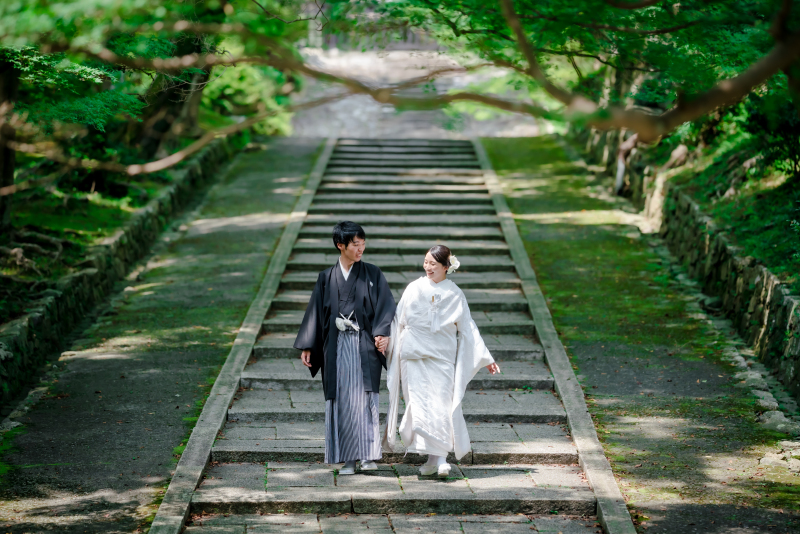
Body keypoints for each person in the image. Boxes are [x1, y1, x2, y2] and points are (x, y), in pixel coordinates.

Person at [382, 245, 500, 477]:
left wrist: (485, 356)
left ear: (447, 266)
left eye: (433, 264)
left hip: (441, 357)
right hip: (413, 357)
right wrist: (387, 342)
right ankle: (432, 459)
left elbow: (467, 328)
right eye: (426, 262)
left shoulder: (455, 293)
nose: (428, 267)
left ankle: (441, 458)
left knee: (441, 405)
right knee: (419, 405)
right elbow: (398, 321)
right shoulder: (413, 288)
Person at [294, 221, 395, 475]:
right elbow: (315, 312)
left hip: (363, 344)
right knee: (342, 400)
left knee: (366, 398)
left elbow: (386, 306)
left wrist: (382, 332)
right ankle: (348, 458)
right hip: (336, 347)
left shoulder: (373, 274)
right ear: (341, 245)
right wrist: (308, 345)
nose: (361, 249)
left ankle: (368, 456)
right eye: (355, 245)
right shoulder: (326, 278)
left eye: (363, 244)